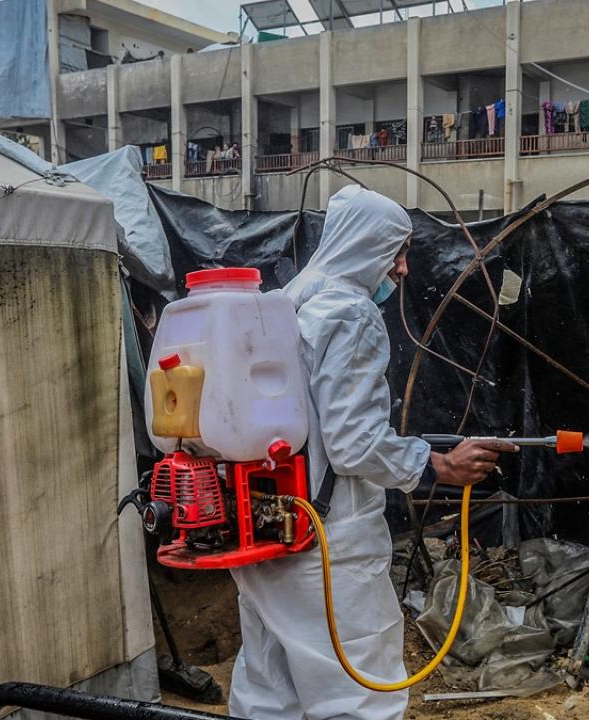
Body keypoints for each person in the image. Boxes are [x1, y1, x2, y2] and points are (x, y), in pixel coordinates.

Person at [229, 185, 516, 720]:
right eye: (396, 253)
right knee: (360, 696)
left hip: (269, 529)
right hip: (329, 543)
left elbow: (315, 426)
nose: (402, 269)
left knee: (270, 692)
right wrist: (439, 466)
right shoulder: (350, 313)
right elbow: (353, 442)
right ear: (365, 246)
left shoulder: (285, 304)